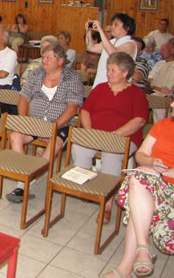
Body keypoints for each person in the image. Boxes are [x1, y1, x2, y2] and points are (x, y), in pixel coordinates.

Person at [73, 52, 148, 223]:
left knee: (111, 155)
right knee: (79, 147)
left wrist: (114, 135)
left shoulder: (136, 94)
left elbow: (139, 121)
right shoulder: (100, 88)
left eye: (113, 70)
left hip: (123, 137)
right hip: (96, 133)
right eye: (108, 69)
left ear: (125, 73)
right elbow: (85, 110)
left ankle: (106, 204)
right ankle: (87, 187)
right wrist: (90, 130)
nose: (109, 73)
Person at [6, 44, 83, 203]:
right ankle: (25, 179)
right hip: (36, 121)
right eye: (43, 58)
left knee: (53, 143)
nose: (44, 61)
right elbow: (24, 98)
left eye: (48, 58)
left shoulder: (72, 78)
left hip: (61, 125)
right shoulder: (36, 73)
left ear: (60, 60)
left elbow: (72, 108)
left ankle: (25, 182)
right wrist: (23, 121)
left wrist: (52, 128)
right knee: (15, 137)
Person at [106, 108, 174, 278]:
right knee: (138, 180)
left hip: (168, 183)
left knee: (137, 196)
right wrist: (151, 161)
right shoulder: (162, 125)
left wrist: (163, 172)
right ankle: (143, 249)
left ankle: (125, 268)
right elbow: (141, 154)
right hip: (155, 180)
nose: (172, 104)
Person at [86, 13, 137, 88]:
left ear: (127, 28)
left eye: (116, 25)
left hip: (117, 87)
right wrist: (88, 30)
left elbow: (114, 54)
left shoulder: (130, 44)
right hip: (101, 83)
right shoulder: (111, 42)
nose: (112, 27)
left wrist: (100, 30)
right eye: (112, 24)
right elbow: (91, 47)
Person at [148, 38, 174, 122]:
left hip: (170, 97)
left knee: (156, 98)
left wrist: (170, 92)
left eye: (163, 50)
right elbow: (154, 85)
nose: (161, 52)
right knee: (151, 97)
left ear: (172, 51)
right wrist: (161, 90)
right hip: (161, 95)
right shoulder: (162, 65)